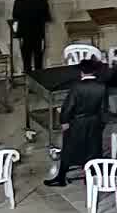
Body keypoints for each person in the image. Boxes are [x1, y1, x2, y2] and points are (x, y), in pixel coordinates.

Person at [46, 58, 109, 186]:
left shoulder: (77, 87)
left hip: (77, 122)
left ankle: (61, 178)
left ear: (81, 72)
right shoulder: (102, 86)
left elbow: (68, 107)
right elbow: (104, 109)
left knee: (69, 149)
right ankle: (91, 176)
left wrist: (64, 121)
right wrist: (101, 124)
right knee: (92, 149)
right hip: (94, 121)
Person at [11, 0, 52, 75]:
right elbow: (47, 17)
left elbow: (15, 15)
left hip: (24, 33)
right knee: (38, 59)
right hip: (38, 33)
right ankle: (39, 78)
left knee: (26, 59)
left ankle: (28, 78)